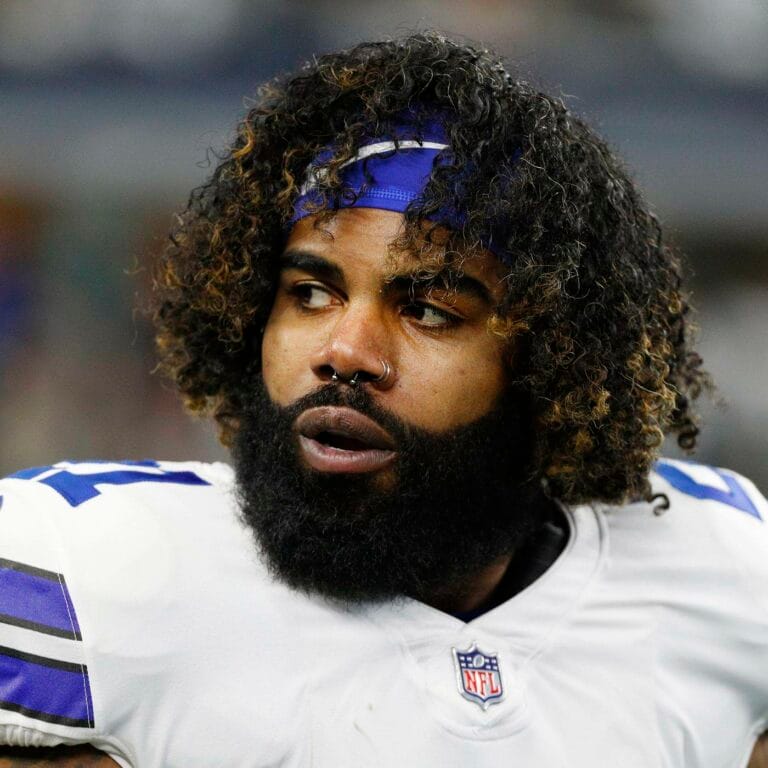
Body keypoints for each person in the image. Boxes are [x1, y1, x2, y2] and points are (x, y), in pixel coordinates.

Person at [0, 31, 766, 768]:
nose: (345, 352)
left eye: (428, 310)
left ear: (556, 365)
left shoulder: (725, 575)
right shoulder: (77, 573)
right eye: (309, 293)